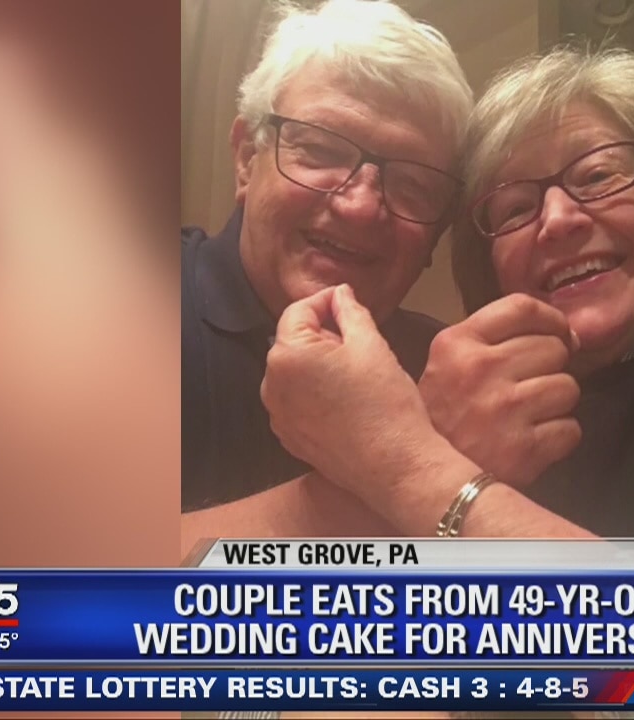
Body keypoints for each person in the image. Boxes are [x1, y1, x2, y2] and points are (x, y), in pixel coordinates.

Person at [260, 46, 634, 540]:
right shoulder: (461, 394)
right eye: (516, 208)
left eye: (597, 176)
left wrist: (413, 460)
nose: (558, 220)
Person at [181, 0, 473, 544]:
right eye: (319, 149)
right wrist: (399, 478)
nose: (361, 207)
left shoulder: (449, 375)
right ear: (246, 159)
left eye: (413, 184)